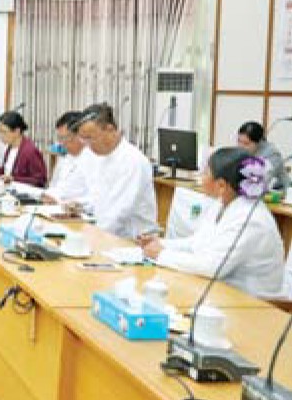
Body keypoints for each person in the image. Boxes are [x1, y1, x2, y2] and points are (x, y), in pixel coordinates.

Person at [138, 148, 285, 299]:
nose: (201, 177)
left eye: (206, 173)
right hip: (223, 292)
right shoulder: (223, 203)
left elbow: (212, 267)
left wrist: (161, 254)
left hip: (254, 303)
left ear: (221, 185)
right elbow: (197, 243)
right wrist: (160, 244)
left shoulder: (251, 219)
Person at [74, 102, 157, 239]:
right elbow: (99, 198)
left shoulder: (133, 161)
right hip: (106, 232)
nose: (88, 145)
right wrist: (80, 206)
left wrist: (88, 236)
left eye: (90, 138)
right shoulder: (99, 157)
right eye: (84, 140)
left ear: (110, 129)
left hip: (133, 240)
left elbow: (118, 212)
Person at [0, 111, 47, 187]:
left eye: (3, 132)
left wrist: (13, 179)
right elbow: (5, 171)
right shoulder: (10, 147)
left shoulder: (30, 151)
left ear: (17, 131)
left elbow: (40, 180)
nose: (0, 135)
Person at [43, 111, 93, 204]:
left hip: (77, 210)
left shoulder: (93, 159)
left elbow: (95, 198)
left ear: (80, 135)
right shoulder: (65, 157)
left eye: (64, 138)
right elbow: (53, 185)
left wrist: (65, 202)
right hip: (54, 207)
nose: (61, 143)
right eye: (59, 138)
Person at [236, 121, 289, 191]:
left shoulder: (272, 154)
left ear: (260, 142)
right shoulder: (242, 152)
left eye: (246, 143)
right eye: (239, 141)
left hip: (279, 191)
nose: (240, 146)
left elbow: (264, 180)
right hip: (250, 191)